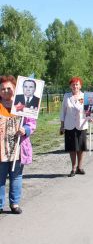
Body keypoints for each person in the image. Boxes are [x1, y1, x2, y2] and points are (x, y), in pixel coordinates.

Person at [0, 75, 36, 214]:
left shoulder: (23, 105)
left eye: (9, 88)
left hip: (18, 148)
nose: (6, 90)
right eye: (3, 89)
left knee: (16, 176)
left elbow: (31, 124)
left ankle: (14, 203)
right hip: (1, 149)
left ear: (15, 89)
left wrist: (25, 129)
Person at [60, 77, 91, 177]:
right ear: (70, 86)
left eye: (77, 84)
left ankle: (80, 167)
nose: (75, 86)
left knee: (81, 147)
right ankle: (73, 168)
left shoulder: (84, 96)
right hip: (69, 125)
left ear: (80, 86)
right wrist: (62, 125)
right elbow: (63, 112)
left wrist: (90, 117)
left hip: (81, 125)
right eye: (73, 84)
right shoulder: (67, 96)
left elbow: (88, 111)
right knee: (72, 148)